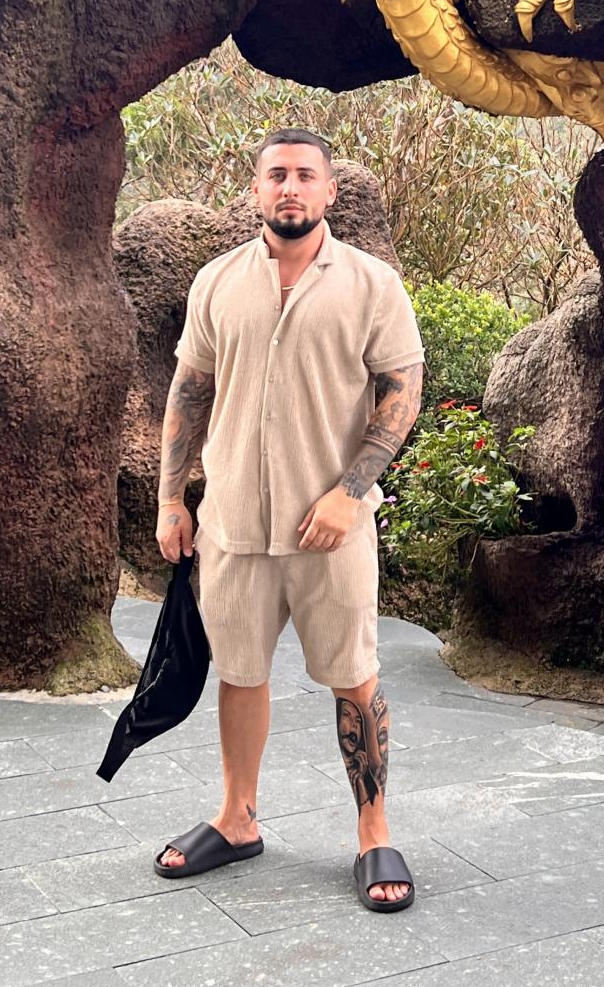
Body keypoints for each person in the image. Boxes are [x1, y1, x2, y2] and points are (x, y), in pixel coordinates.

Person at [152, 128, 425, 911]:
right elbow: (189, 391)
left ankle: (373, 832)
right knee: (238, 672)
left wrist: (350, 492)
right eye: (276, 174)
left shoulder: (372, 284)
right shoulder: (216, 282)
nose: (291, 187)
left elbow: (401, 395)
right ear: (256, 189)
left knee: (354, 676)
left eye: (306, 175)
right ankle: (237, 819)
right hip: (233, 524)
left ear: (329, 191)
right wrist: (171, 499)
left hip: (330, 529)